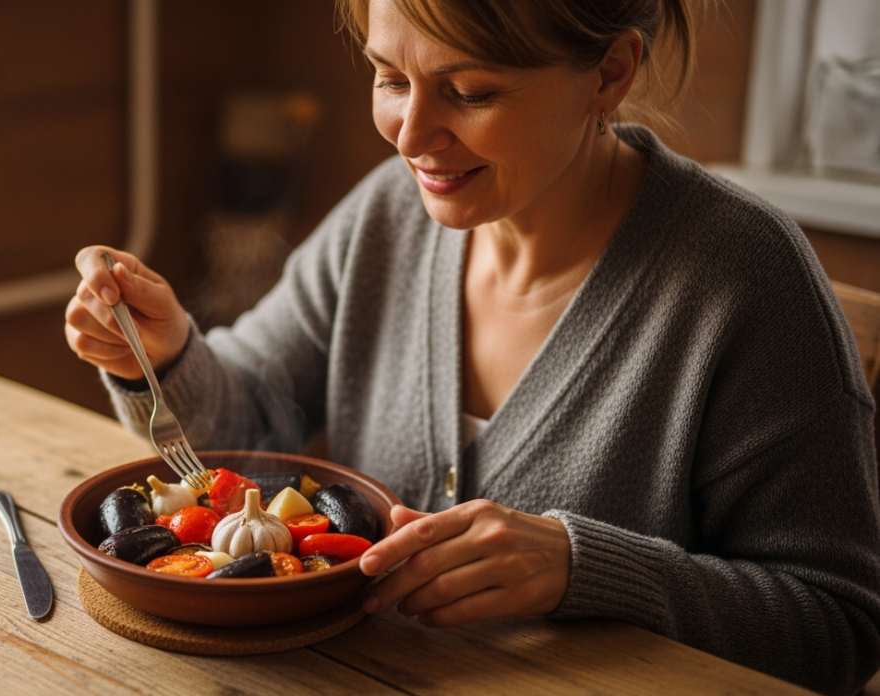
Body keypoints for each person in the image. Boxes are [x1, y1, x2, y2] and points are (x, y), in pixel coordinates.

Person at [63, 0, 880, 693]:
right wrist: (163, 356)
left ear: (611, 73)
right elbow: (252, 422)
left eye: (469, 91)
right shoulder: (386, 216)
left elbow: (839, 629)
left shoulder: (745, 280)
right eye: (389, 78)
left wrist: (583, 568)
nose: (411, 134)